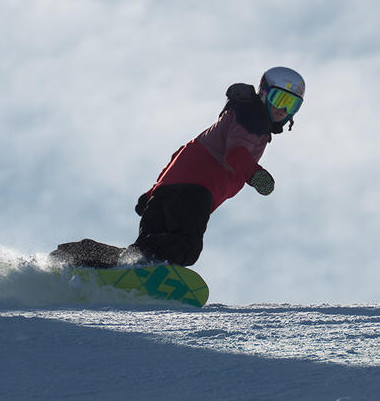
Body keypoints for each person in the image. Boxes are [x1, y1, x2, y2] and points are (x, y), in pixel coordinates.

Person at [51, 67, 305, 268]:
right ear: (264, 93)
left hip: (172, 190)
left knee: (147, 253)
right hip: (194, 191)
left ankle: (82, 256)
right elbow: (236, 156)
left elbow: (185, 151)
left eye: (292, 104)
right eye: (279, 98)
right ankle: (119, 260)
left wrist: (153, 193)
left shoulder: (237, 117)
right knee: (185, 248)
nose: (283, 109)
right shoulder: (252, 120)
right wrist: (256, 175)